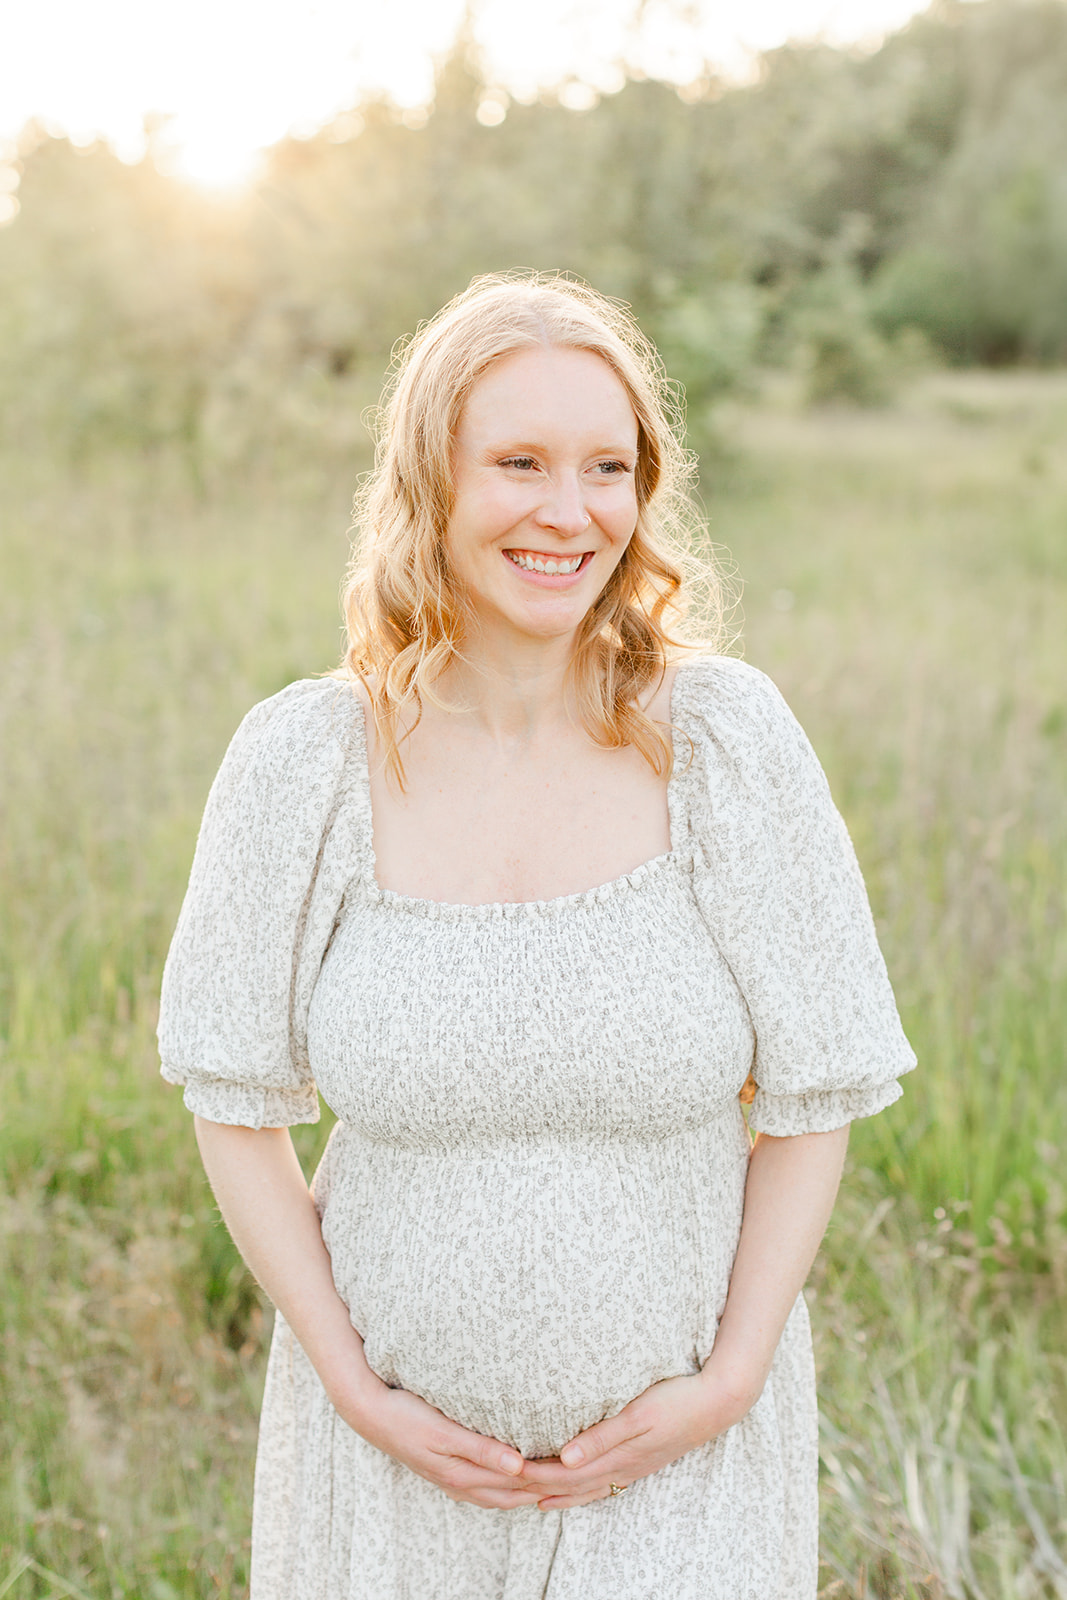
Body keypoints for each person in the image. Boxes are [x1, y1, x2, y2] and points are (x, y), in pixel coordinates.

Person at [158, 271, 915, 1600]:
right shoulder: (305, 762)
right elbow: (234, 1103)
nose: (571, 512)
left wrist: (730, 1380)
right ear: (429, 480)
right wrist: (355, 1387)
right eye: (519, 462)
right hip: (386, 1482)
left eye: (607, 468)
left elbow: (814, 1098)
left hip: (681, 1474)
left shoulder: (724, 741)